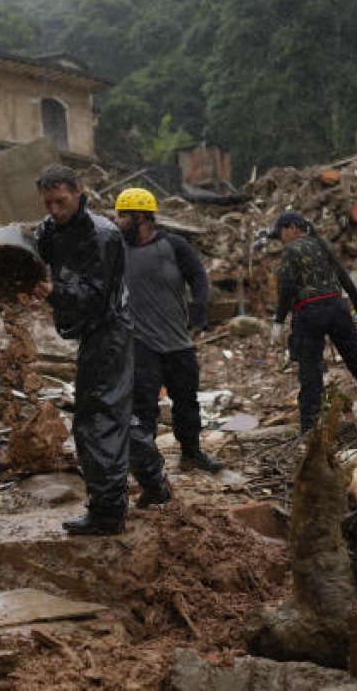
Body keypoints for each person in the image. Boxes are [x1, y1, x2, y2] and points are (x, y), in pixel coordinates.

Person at [32, 164, 133, 536]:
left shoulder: (102, 235)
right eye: (48, 204)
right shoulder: (50, 228)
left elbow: (95, 296)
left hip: (110, 329)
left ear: (79, 192)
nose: (55, 210)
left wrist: (52, 292)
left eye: (61, 202)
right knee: (119, 414)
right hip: (88, 331)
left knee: (96, 420)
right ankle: (155, 484)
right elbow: (30, 249)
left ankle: (107, 513)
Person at [114, 187, 222, 508]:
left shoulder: (174, 246)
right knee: (143, 408)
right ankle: (150, 475)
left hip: (178, 342)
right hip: (141, 344)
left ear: (142, 217)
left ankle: (191, 453)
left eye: (122, 215)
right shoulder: (116, 249)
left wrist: (200, 308)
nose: (117, 221)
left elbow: (198, 276)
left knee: (186, 401)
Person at [269, 211, 357, 433]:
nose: (281, 240)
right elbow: (344, 277)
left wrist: (279, 321)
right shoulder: (322, 243)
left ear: (291, 228)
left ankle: (309, 431)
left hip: (310, 313)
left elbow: (287, 286)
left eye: (280, 234)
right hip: (338, 308)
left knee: (311, 373)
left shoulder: (291, 250)